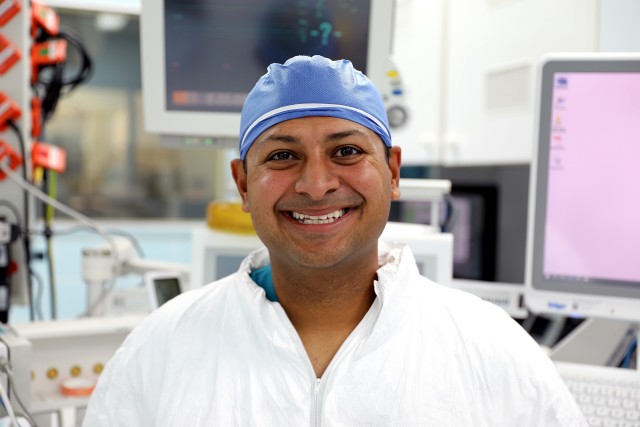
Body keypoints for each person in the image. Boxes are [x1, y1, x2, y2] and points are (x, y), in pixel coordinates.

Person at [83, 55, 586, 426]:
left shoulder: (490, 350)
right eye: (282, 156)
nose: (316, 184)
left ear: (391, 172)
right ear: (241, 183)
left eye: (346, 150)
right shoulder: (160, 351)